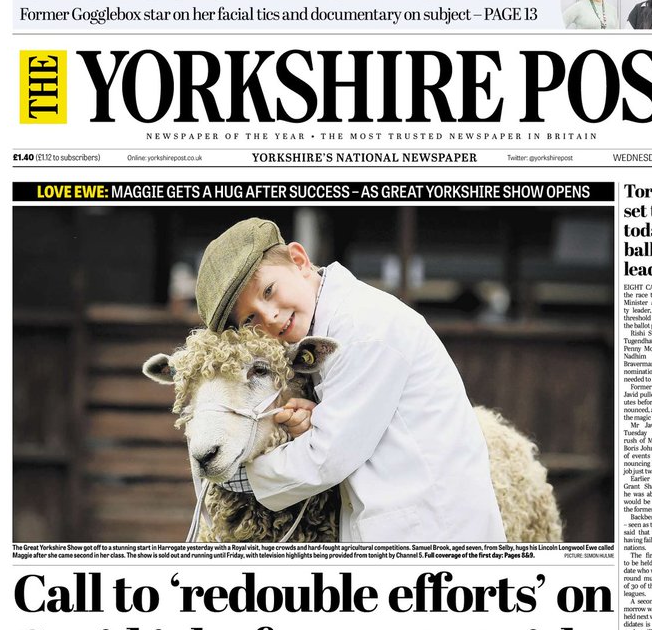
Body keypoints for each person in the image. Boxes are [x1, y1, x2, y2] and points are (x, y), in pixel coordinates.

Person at [195, 217, 506, 543]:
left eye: (269, 291)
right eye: (250, 318)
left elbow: (328, 456)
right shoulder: (325, 327)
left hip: (433, 532)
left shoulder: (363, 327)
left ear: (299, 261)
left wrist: (237, 475)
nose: (269, 316)